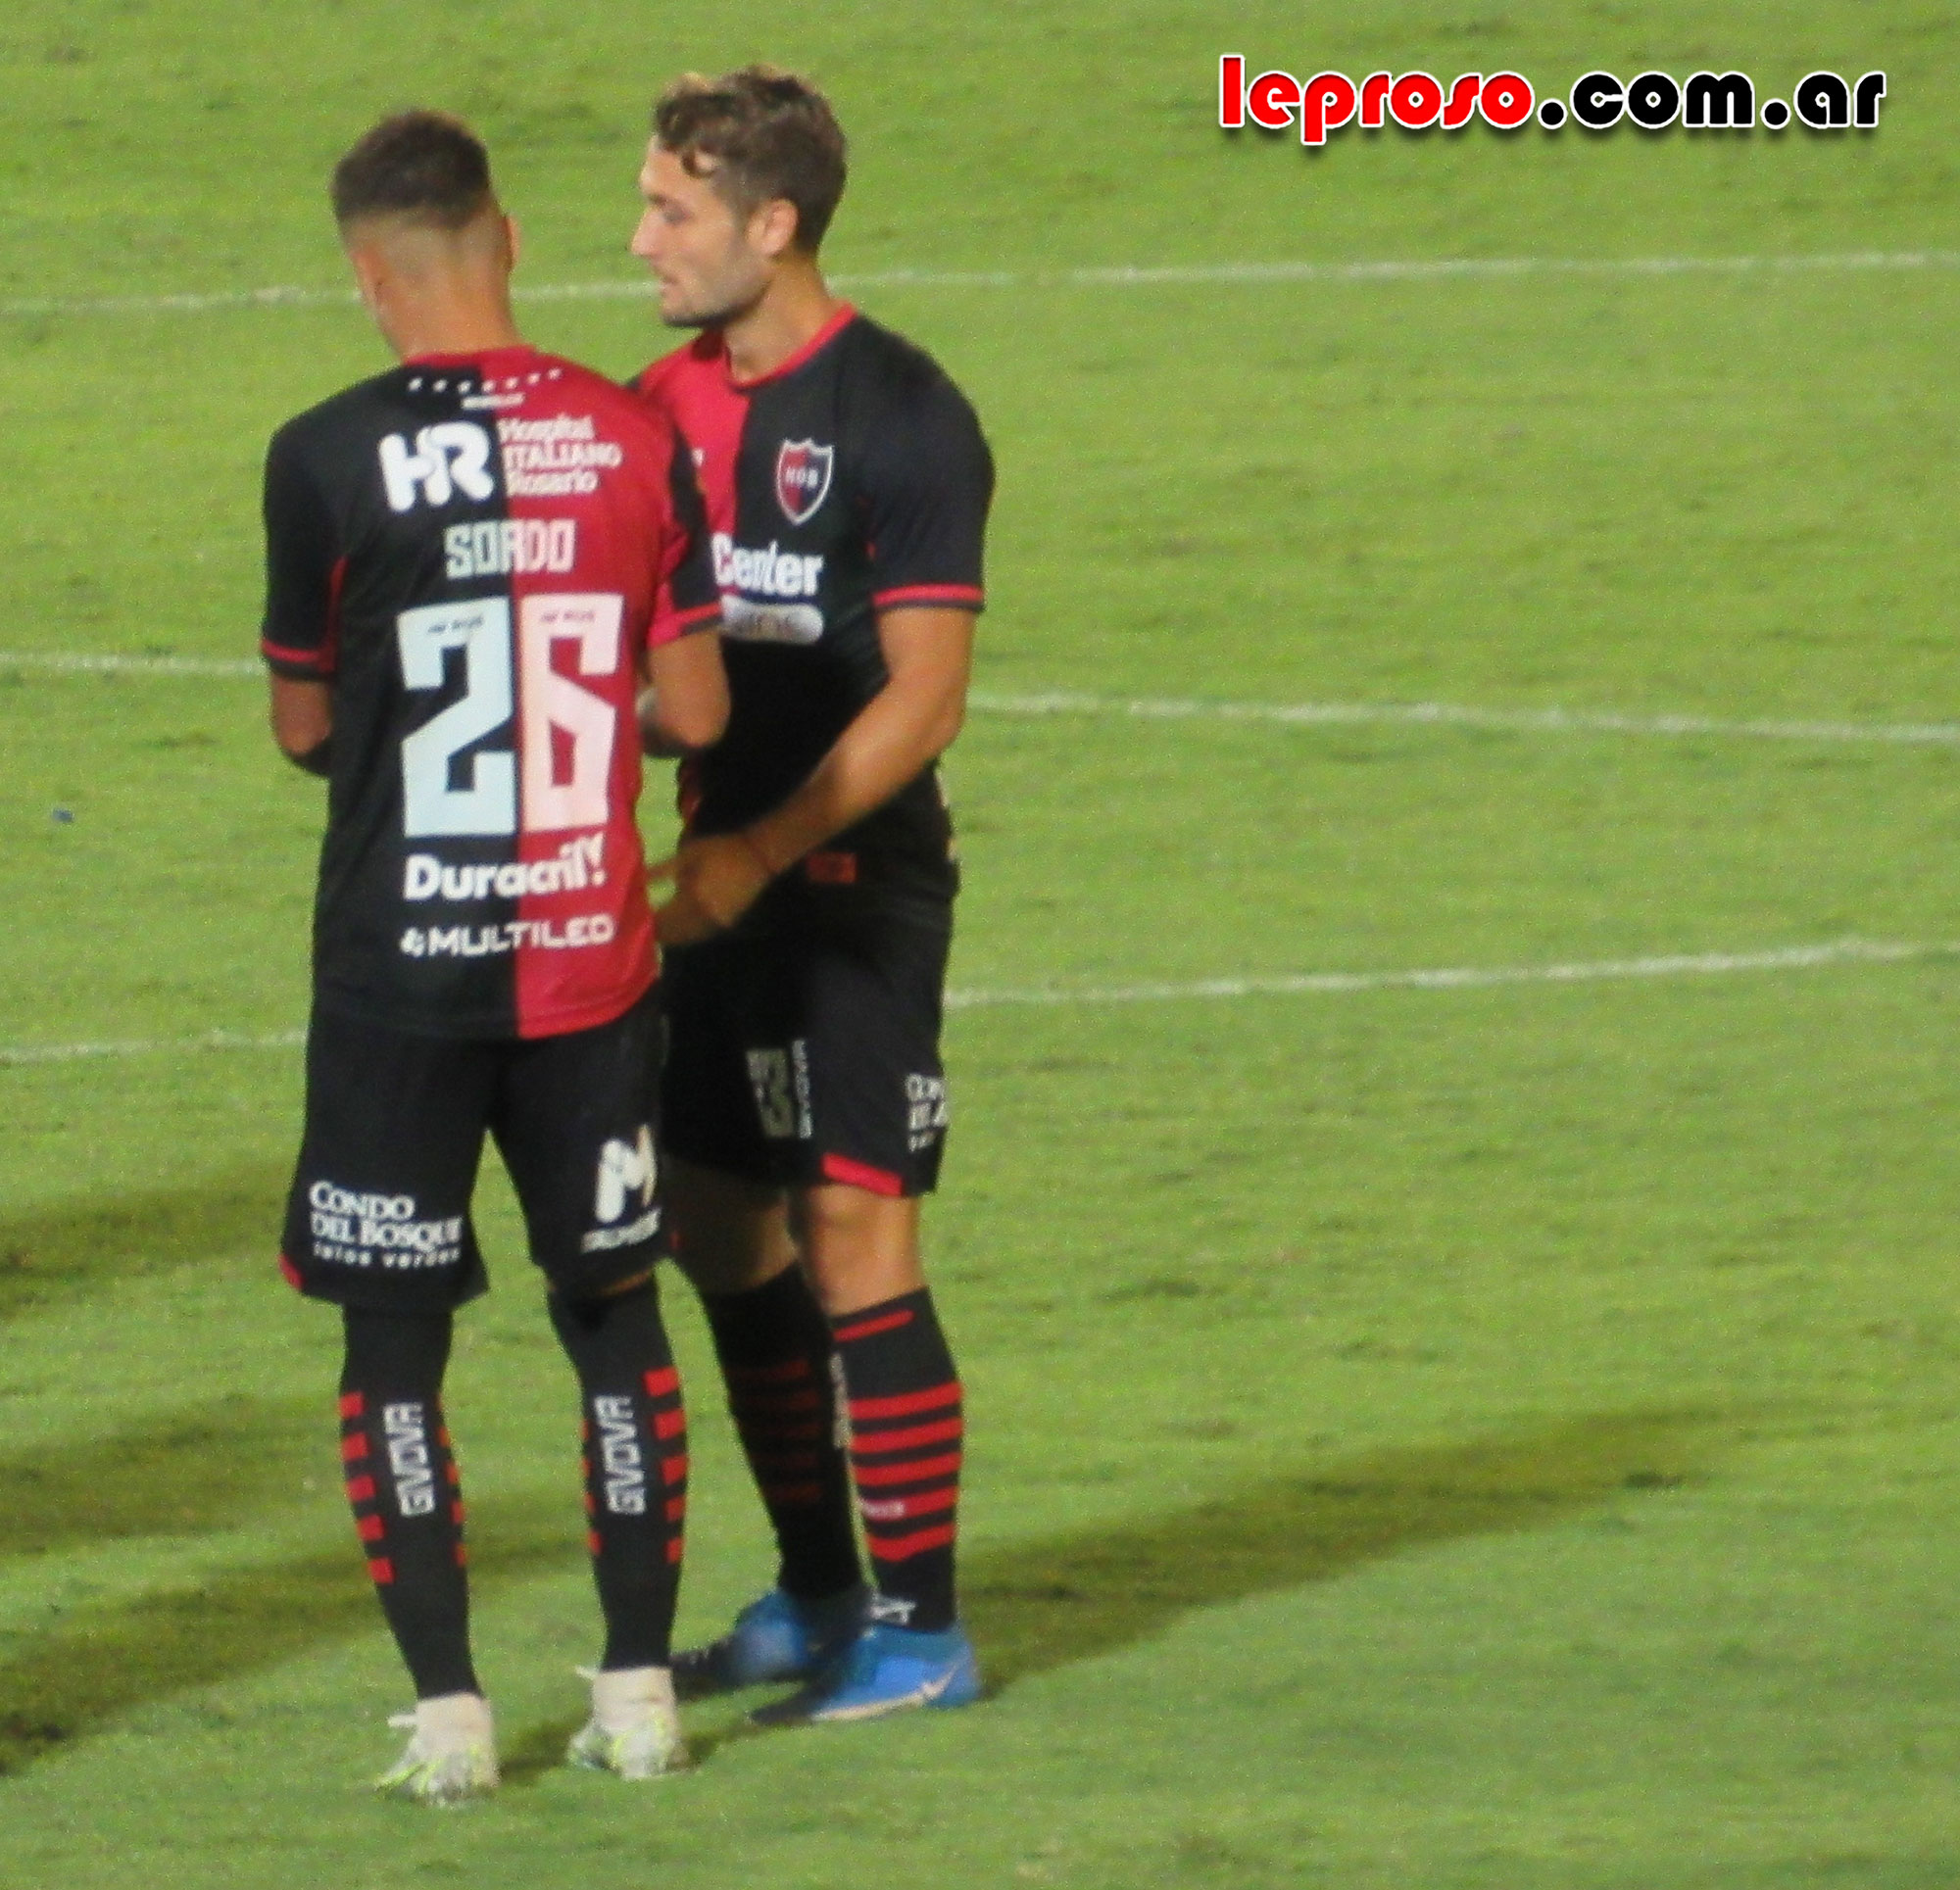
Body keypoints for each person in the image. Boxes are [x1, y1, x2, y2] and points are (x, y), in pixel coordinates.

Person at [261, 110, 727, 1802]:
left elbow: (303, 724)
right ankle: (641, 1696)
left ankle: (452, 1717)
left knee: (393, 1346)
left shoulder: (322, 453)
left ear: (366, 274)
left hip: (399, 978)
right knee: (614, 1313)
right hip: (590, 964)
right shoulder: (632, 433)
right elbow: (696, 711)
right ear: (508, 238)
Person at [628, 67, 994, 1721]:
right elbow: (658, 669)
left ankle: (923, 1631)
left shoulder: (904, 413)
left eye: (674, 211)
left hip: (851, 892)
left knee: (854, 1229)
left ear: (771, 224)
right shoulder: (656, 411)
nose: (644, 241)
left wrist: (758, 852)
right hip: (713, 891)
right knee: (718, 1224)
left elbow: (926, 696)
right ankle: (821, 1586)